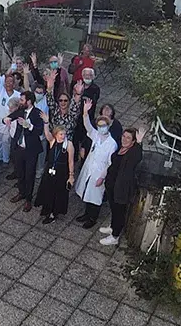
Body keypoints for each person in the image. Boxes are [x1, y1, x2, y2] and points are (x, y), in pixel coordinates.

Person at [74, 100, 119, 229]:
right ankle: (86, 214)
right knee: (87, 192)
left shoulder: (112, 144)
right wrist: (85, 112)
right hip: (90, 169)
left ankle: (93, 218)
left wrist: (102, 177)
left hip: (99, 172)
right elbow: (87, 126)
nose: (101, 128)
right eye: (99, 125)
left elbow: (109, 164)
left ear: (108, 126)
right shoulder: (96, 135)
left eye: (104, 125)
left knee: (96, 196)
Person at [98, 126, 145, 245]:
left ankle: (115, 236)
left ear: (133, 141)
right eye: (124, 136)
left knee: (119, 212)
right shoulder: (121, 148)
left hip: (121, 188)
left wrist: (139, 143)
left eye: (128, 138)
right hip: (111, 185)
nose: (124, 139)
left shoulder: (131, 154)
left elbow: (137, 157)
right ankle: (113, 226)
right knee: (114, 209)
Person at [5, 91, 45, 212]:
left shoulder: (37, 113)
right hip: (19, 147)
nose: (20, 102)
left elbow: (39, 131)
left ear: (29, 101)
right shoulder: (20, 111)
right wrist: (6, 119)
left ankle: (28, 199)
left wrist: (28, 125)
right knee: (20, 173)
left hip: (31, 150)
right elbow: (11, 116)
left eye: (22, 100)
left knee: (29, 175)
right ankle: (21, 192)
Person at [35, 117, 75, 224]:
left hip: (61, 172)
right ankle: (47, 209)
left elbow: (70, 161)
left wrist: (71, 176)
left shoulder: (69, 145)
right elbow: (47, 133)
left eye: (64, 134)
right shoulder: (53, 141)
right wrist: (46, 122)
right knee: (48, 190)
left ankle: (54, 213)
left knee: (57, 193)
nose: (63, 136)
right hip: (50, 170)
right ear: (56, 134)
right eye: (60, 134)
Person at [0, 71, 21, 167]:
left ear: (14, 84)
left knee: (6, 141)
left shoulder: (18, 95)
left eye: (11, 82)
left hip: (9, 123)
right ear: (4, 83)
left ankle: (6, 159)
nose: (9, 84)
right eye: (7, 81)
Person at [46, 74, 83, 141]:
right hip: (54, 143)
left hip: (67, 145)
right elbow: (49, 100)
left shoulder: (72, 114)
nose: (63, 102)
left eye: (65, 100)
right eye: (61, 100)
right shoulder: (55, 111)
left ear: (69, 102)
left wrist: (78, 93)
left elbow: (75, 104)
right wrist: (49, 87)